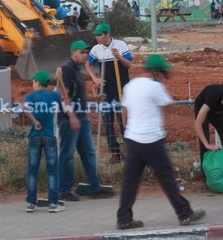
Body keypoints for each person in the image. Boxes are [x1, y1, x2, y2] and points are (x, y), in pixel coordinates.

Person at [116, 54, 206, 230]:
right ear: (156, 72)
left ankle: (124, 218)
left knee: (130, 181)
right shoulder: (154, 87)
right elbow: (168, 106)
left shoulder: (130, 86)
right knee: (167, 178)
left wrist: (129, 128)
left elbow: (124, 111)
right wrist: (162, 87)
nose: (164, 77)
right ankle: (184, 213)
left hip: (133, 139)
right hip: (151, 139)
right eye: (162, 73)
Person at [56, 40, 112, 201]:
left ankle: (94, 185)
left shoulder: (76, 70)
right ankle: (63, 190)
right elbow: (63, 96)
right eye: (82, 52)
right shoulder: (66, 69)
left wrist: (94, 98)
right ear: (73, 52)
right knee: (67, 154)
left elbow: (77, 95)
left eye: (86, 53)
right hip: (68, 120)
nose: (85, 55)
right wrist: (72, 116)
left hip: (81, 118)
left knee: (88, 152)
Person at [85, 23, 132, 163]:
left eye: (99, 35)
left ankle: (129, 150)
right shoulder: (96, 49)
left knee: (123, 119)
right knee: (108, 121)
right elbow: (87, 64)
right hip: (105, 90)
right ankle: (114, 152)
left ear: (107, 34)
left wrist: (119, 56)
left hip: (121, 87)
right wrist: (95, 79)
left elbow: (129, 65)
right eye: (96, 35)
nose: (97, 37)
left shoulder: (121, 45)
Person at [24, 70, 65, 213]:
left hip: (34, 136)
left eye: (33, 82)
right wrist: (59, 80)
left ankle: (30, 203)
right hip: (50, 136)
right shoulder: (53, 95)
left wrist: (35, 122)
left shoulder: (31, 96)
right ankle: (53, 204)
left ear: (37, 83)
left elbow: (26, 109)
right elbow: (62, 96)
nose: (32, 84)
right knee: (52, 170)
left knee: (32, 170)